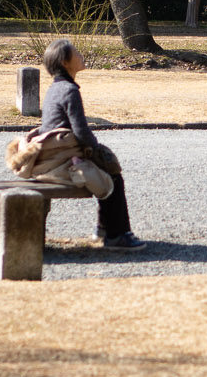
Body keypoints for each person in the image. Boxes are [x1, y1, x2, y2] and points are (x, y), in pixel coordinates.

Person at [40, 37, 142, 250]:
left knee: (107, 170)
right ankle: (116, 235)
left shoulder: (55, 88)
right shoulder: (69, 90)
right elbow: (81, 133)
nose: (81, 55)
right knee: (113, 175)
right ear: (65, 62)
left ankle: (105, 229)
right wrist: (98, 152)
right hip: (63, 164)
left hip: (52, 159)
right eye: (76, 53)